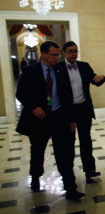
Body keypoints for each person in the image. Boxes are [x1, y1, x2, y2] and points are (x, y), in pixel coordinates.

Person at [16, 41, 84, 200]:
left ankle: (70, 188)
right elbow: (21, 94)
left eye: (58, 55)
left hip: (58, 117)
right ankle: (35, 177)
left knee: (64, 154)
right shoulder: (29, 71)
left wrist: (72, 118)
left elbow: (68, 96)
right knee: (38, 151)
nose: (56, 58)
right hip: (39, 119)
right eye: (53, 55)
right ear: (44, 54)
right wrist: (33, 107)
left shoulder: (60, 70)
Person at [56, 41, 105, 182]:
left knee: (86, 141)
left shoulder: (84, 66)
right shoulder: (58, 68)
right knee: (69, 143)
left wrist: (102, 77)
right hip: (68, 111)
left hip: (83, 109)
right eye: (71, 51)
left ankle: (89, 170)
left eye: (76, 51)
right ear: (64, 53)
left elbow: (95, 80)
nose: (74, 54)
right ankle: (68, 172)